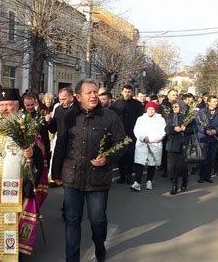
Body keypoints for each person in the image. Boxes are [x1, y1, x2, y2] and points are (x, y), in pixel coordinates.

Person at [52, 79, 127, 262]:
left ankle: (99, 244)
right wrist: (55, 173)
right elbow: (60, 144)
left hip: (98, 178)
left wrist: (107, 158)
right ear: (78, 97)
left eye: (96, 92)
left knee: (98, 220)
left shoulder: (110, 117)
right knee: (72, 220)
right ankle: (72, 258)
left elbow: (122, 142)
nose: (94, 96)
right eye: (89, 93)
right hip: (72, 176)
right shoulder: (68, 117)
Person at [0, 88, 48, 260]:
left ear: (17, 106)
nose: (4, 109)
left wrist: (32, 152)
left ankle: (16, 253)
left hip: (18, 184)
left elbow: (40, 153)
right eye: (1, 105)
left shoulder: (27, 124)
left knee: (15, 219)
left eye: (8, 105)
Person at [111, 84, 144, 184]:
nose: (127, 94)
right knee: (121, 156)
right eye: (125, 91)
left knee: (130, 155)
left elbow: (140, 119)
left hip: (132, 134)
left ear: (132, 93)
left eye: (129, 92)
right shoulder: (116, 104)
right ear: (122, 92)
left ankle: (129, 175)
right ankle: (122, 176)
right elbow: (113, 119)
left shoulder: (137, 104)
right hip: (119, 134)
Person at [131, 101, 166, 191]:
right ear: (146, 109)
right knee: (139, 163)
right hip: (142, 144)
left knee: (152, 163)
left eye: (152, 109)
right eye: (149, 109)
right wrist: (142, 137)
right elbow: (136, 130)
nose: (150, 111)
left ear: (155, 110)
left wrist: (150, 139)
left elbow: (162, 132)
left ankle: (149, 181)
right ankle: (137, 182)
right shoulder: (140, 119)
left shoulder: (160, 120)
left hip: (154, 144)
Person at [196, 96, 218, 183]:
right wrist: (205, 130)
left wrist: (216, 130)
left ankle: (208, 176)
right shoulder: (201, 112)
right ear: (208, 102)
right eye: (213, 101)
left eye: (216, 102)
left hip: (215, 139)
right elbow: (197, 124)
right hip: (203, 138)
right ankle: (201, 176)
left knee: (211, 158)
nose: (216, 103)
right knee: (203, 158)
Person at [165, 101, 195, 194]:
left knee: (182, 166)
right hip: (172, 145)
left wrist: (185, 129)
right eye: (173, 106)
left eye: (176, 106)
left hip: (183, 145)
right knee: (171, 167)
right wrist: (173, 129)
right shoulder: (170, 116)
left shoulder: (188, 117)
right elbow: (166, 129)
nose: (174, 108)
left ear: (181, 107)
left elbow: (195, 129)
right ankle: (174, 184)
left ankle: (185, 180)